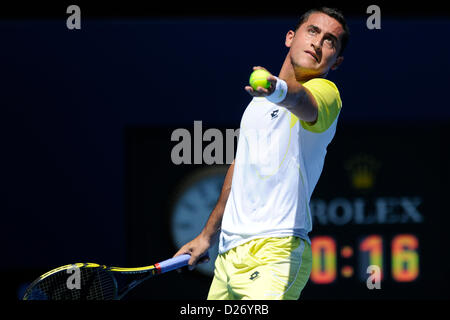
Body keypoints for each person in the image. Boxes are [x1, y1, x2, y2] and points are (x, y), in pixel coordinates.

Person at [174, 7, 349, 300]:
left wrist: (276, 89)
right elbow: (240, 169)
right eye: (313, 31)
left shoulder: (325, 92)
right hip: (228, 258)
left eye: (330, 41)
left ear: (337, 61)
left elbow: (302, 102)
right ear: (290, 37)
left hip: (276, 253)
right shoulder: (255, 107)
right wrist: (207, 236)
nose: (318, 43)